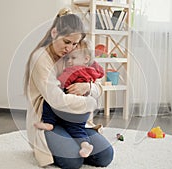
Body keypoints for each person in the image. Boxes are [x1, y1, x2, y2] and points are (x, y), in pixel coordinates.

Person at [24, 7, 113, 169]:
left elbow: (99, 86)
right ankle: (61, 144)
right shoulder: (41, 58)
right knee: (72, 161)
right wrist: (90, 104)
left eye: (75, 43)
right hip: (49, 120)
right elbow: (57, 100)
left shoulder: (73, 55)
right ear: (54, 33)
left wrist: (88, 86)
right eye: (66, 42)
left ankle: (71, 141)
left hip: (73, 121)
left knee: (106, 155)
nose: (70, 48)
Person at [34, 40, 105, 158]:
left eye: (73, 57)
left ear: (86, 59)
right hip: (82, 112)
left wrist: (87, 87)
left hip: (70, 108)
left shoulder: (73, 70)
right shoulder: (92, 70)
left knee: (50, 99)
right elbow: (100, 77)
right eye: (68, 58)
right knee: (76, 128)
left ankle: (49, 123)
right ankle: (85, 144)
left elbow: (60, 84)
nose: (69, 61)